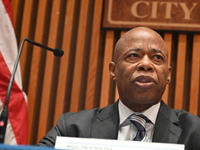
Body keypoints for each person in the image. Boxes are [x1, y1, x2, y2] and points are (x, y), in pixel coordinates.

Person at [37, 27, 200, 150]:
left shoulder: (194, 131)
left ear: (168, 74)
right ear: (113, 70)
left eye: (157, 58)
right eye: (133, 56)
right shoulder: (73, 128)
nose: (145, 64)